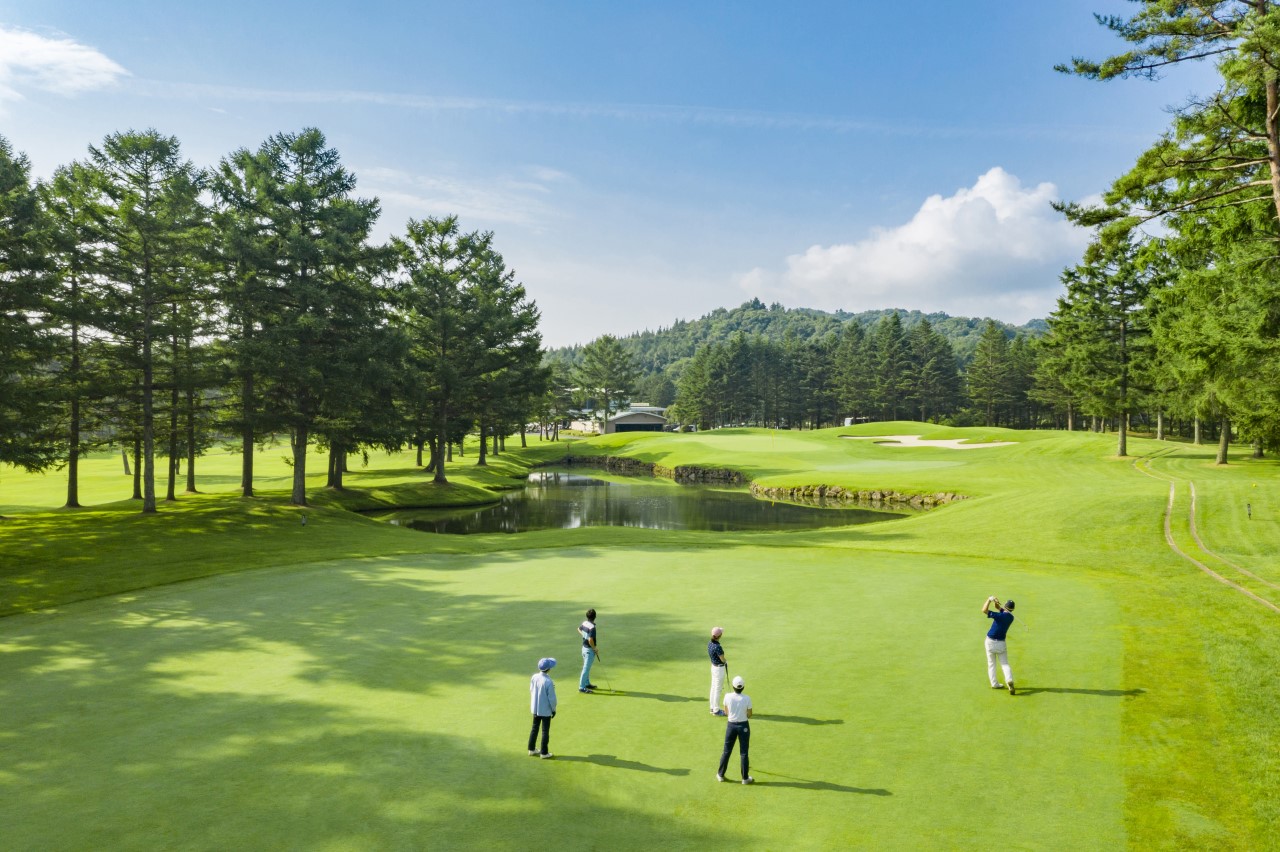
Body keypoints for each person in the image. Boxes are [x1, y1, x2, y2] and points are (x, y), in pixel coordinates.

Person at [716, 675, 754, 784]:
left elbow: (726, 712)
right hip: (743, 726)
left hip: (731, 726)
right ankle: (745, 778)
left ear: (733, 686)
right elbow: (750, 714)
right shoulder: (747, 698)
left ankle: (720, 774)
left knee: (727, 751)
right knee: (744, 753)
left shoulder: (727, 696)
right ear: (743, 687)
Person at [983, 595, 1016, 695]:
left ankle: (994, 683)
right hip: (1001, 643)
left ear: (1005, 606)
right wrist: (996, 602)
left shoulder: (999, 616)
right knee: (1005, 664)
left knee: (991, 664)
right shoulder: (1011, 617)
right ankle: (1009, 679)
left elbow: (984, 610)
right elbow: (998, 608)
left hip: (990, 642)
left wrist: (989, 600)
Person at [529, 657, 557, 758]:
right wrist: (553, 710)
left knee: (534, 728)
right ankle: (544, 753)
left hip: (535, 708)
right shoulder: (549, 681)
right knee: (545, 731)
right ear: (549, 669)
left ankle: (531, 749)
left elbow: (531, 690)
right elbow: (552, 699)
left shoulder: (534, 677)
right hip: (545, 710)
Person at [708, 627, 728, 716]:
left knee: (713, 687)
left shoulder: (710, 643)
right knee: (717, 689)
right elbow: (722, 659)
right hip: (719, 669)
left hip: (713, 667)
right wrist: (726, 661)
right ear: (720, 635)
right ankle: (716, 710)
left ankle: (712, 707)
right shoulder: (718, 647)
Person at [578, 608, 598, 693]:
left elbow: (578, 629)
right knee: (586, 668)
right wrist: (595, 648)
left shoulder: (584, 623)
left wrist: (583, 634)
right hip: (589, 650)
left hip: (584, 648)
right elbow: (590, 640)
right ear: (595, 617)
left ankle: (586, 683)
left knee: (587, 667)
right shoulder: (592, 627)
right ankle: (582, 687)